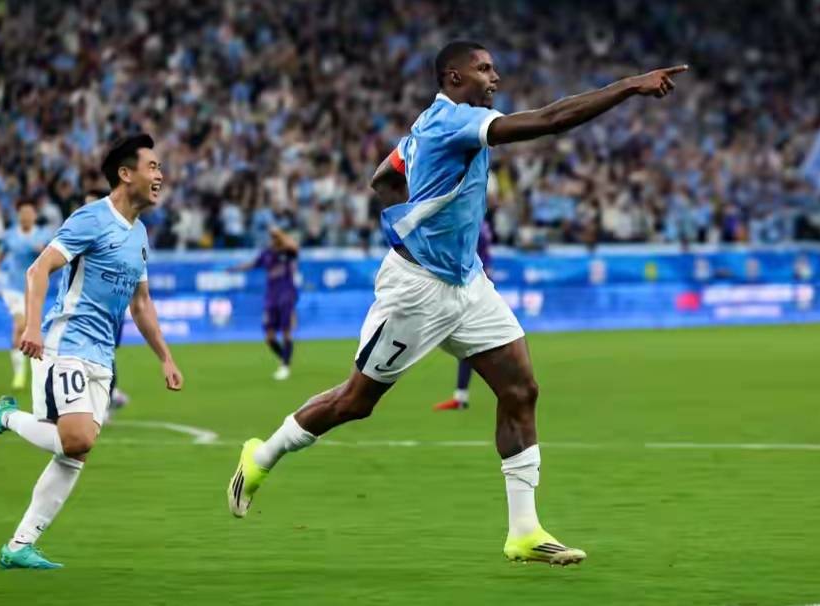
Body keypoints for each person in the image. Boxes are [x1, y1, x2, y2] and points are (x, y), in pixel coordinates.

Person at [227, 40, 686, 566]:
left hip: (468, 283)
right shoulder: (454, 122)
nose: (495, 77)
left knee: (520, 389)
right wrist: (629, 86)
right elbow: (551, 120)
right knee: (355, 402)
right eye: (484, 69)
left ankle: (524, 531)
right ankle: (261, 456)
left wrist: (413, 218)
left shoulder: (426, 127)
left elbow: (384, 178)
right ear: (453, 78)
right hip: (417, 290)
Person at [0, 134, 184, 570]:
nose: (160, 175)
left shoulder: (140, 234)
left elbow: (141, 303)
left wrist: (165, 356)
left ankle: (19, 545)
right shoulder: (90, 219)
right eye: (153, 167)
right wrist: (32, 325)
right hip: (66, 343)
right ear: (126, 174)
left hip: (103, 355)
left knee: (75, 453)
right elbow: (38, 269)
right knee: (78, 439)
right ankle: (5, 417)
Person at [433, 216, 494, 411]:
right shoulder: (480, 224)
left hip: (469, 287)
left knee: (470, 343)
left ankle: (462, 397)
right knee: (469, 343)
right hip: (477, 285)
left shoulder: (469, 225)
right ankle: (461, 396)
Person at [0, 199, 51, 390]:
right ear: (18, 215)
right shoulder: (10, 235)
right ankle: (19, 373)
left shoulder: (43, 234)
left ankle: (33, 367)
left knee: (28, 328)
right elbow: (1, 251)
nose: (26, 216)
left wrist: (42, 251)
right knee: (20, 325)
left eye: (29, 212)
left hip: (34, 289)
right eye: (23, 213)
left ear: (34, 215)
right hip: (13, 288)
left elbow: (51, 255)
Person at [229, 226, 300, 380]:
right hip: (271, 297)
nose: (273, 239)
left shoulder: (287, 252)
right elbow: (253, 264)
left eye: (275, 236)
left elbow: (294, 247)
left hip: (286, 295)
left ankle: (285, 366)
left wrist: (280, 233)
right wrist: (234, 269)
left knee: (286, 332)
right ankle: (285, 359)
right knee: (269, 337)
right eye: (272, 237)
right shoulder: (267, 253)